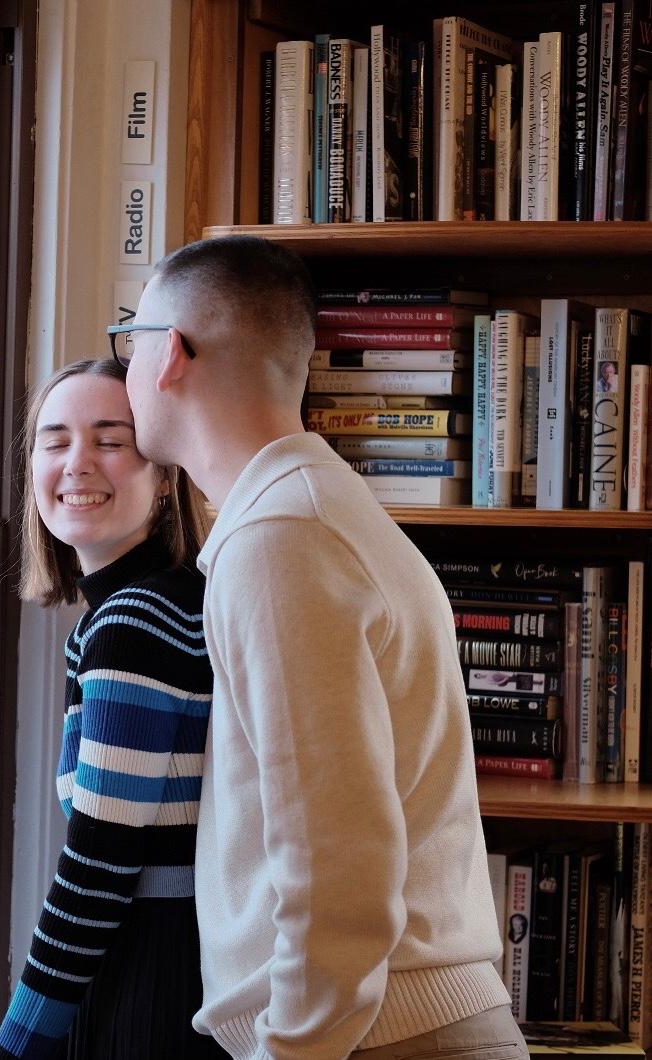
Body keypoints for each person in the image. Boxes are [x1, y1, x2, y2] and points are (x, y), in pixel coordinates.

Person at [119, 235, 528, 1059]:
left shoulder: (282, 540)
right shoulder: (309, 511)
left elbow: (337, 861)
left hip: (382, 1040)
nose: (125, 368)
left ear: (170, 354)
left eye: (129, 339)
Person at [0, 358, 226, 1059]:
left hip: (151, 980)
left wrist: (16, 1045)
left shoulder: (133, 625)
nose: (77, 463)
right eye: (55, 441)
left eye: (111, 440)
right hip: (187, 962)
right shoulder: (178, 598)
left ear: (165, 475)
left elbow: (98, 867)